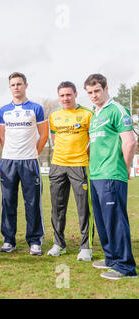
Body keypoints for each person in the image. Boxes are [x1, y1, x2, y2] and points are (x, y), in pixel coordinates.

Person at [84, 73, 137, 280]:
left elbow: (129, 142)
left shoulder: (117, 110)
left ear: (106, 89)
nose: (94, 95)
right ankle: (111, 258)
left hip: (112, 173)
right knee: (102, 220)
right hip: (96, 174)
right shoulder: (95, 114)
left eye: (97, 91)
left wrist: (124, 168)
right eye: (90, 92)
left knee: (115, 220)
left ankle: (126, 267)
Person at [0, 72, 48, 255]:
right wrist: (12, 153)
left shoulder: (36, 108)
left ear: (26, 85)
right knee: (7, 202)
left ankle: (35, 240)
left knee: (32, 203)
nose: (16, 87)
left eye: (19, 84)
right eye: (13, 84)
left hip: (29, 162)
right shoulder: (3, 110)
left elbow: (43, 135)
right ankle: (8, 240)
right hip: (8, 162)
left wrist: (33, 152)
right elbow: (2, 137)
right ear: (10, 87)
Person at [47, 81, 94, 261]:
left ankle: (85, 247)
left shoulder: (88, 114)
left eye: (68, 95)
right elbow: (54, 140)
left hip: (80, 165)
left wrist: (83, 156)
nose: (65, 98)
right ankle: (59, 244)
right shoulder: (54, 116)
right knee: (57, 208)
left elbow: (93, 141)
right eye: (62, 95)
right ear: (58, 97)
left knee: (83, 208)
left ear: (75, 94)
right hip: (57, 165)